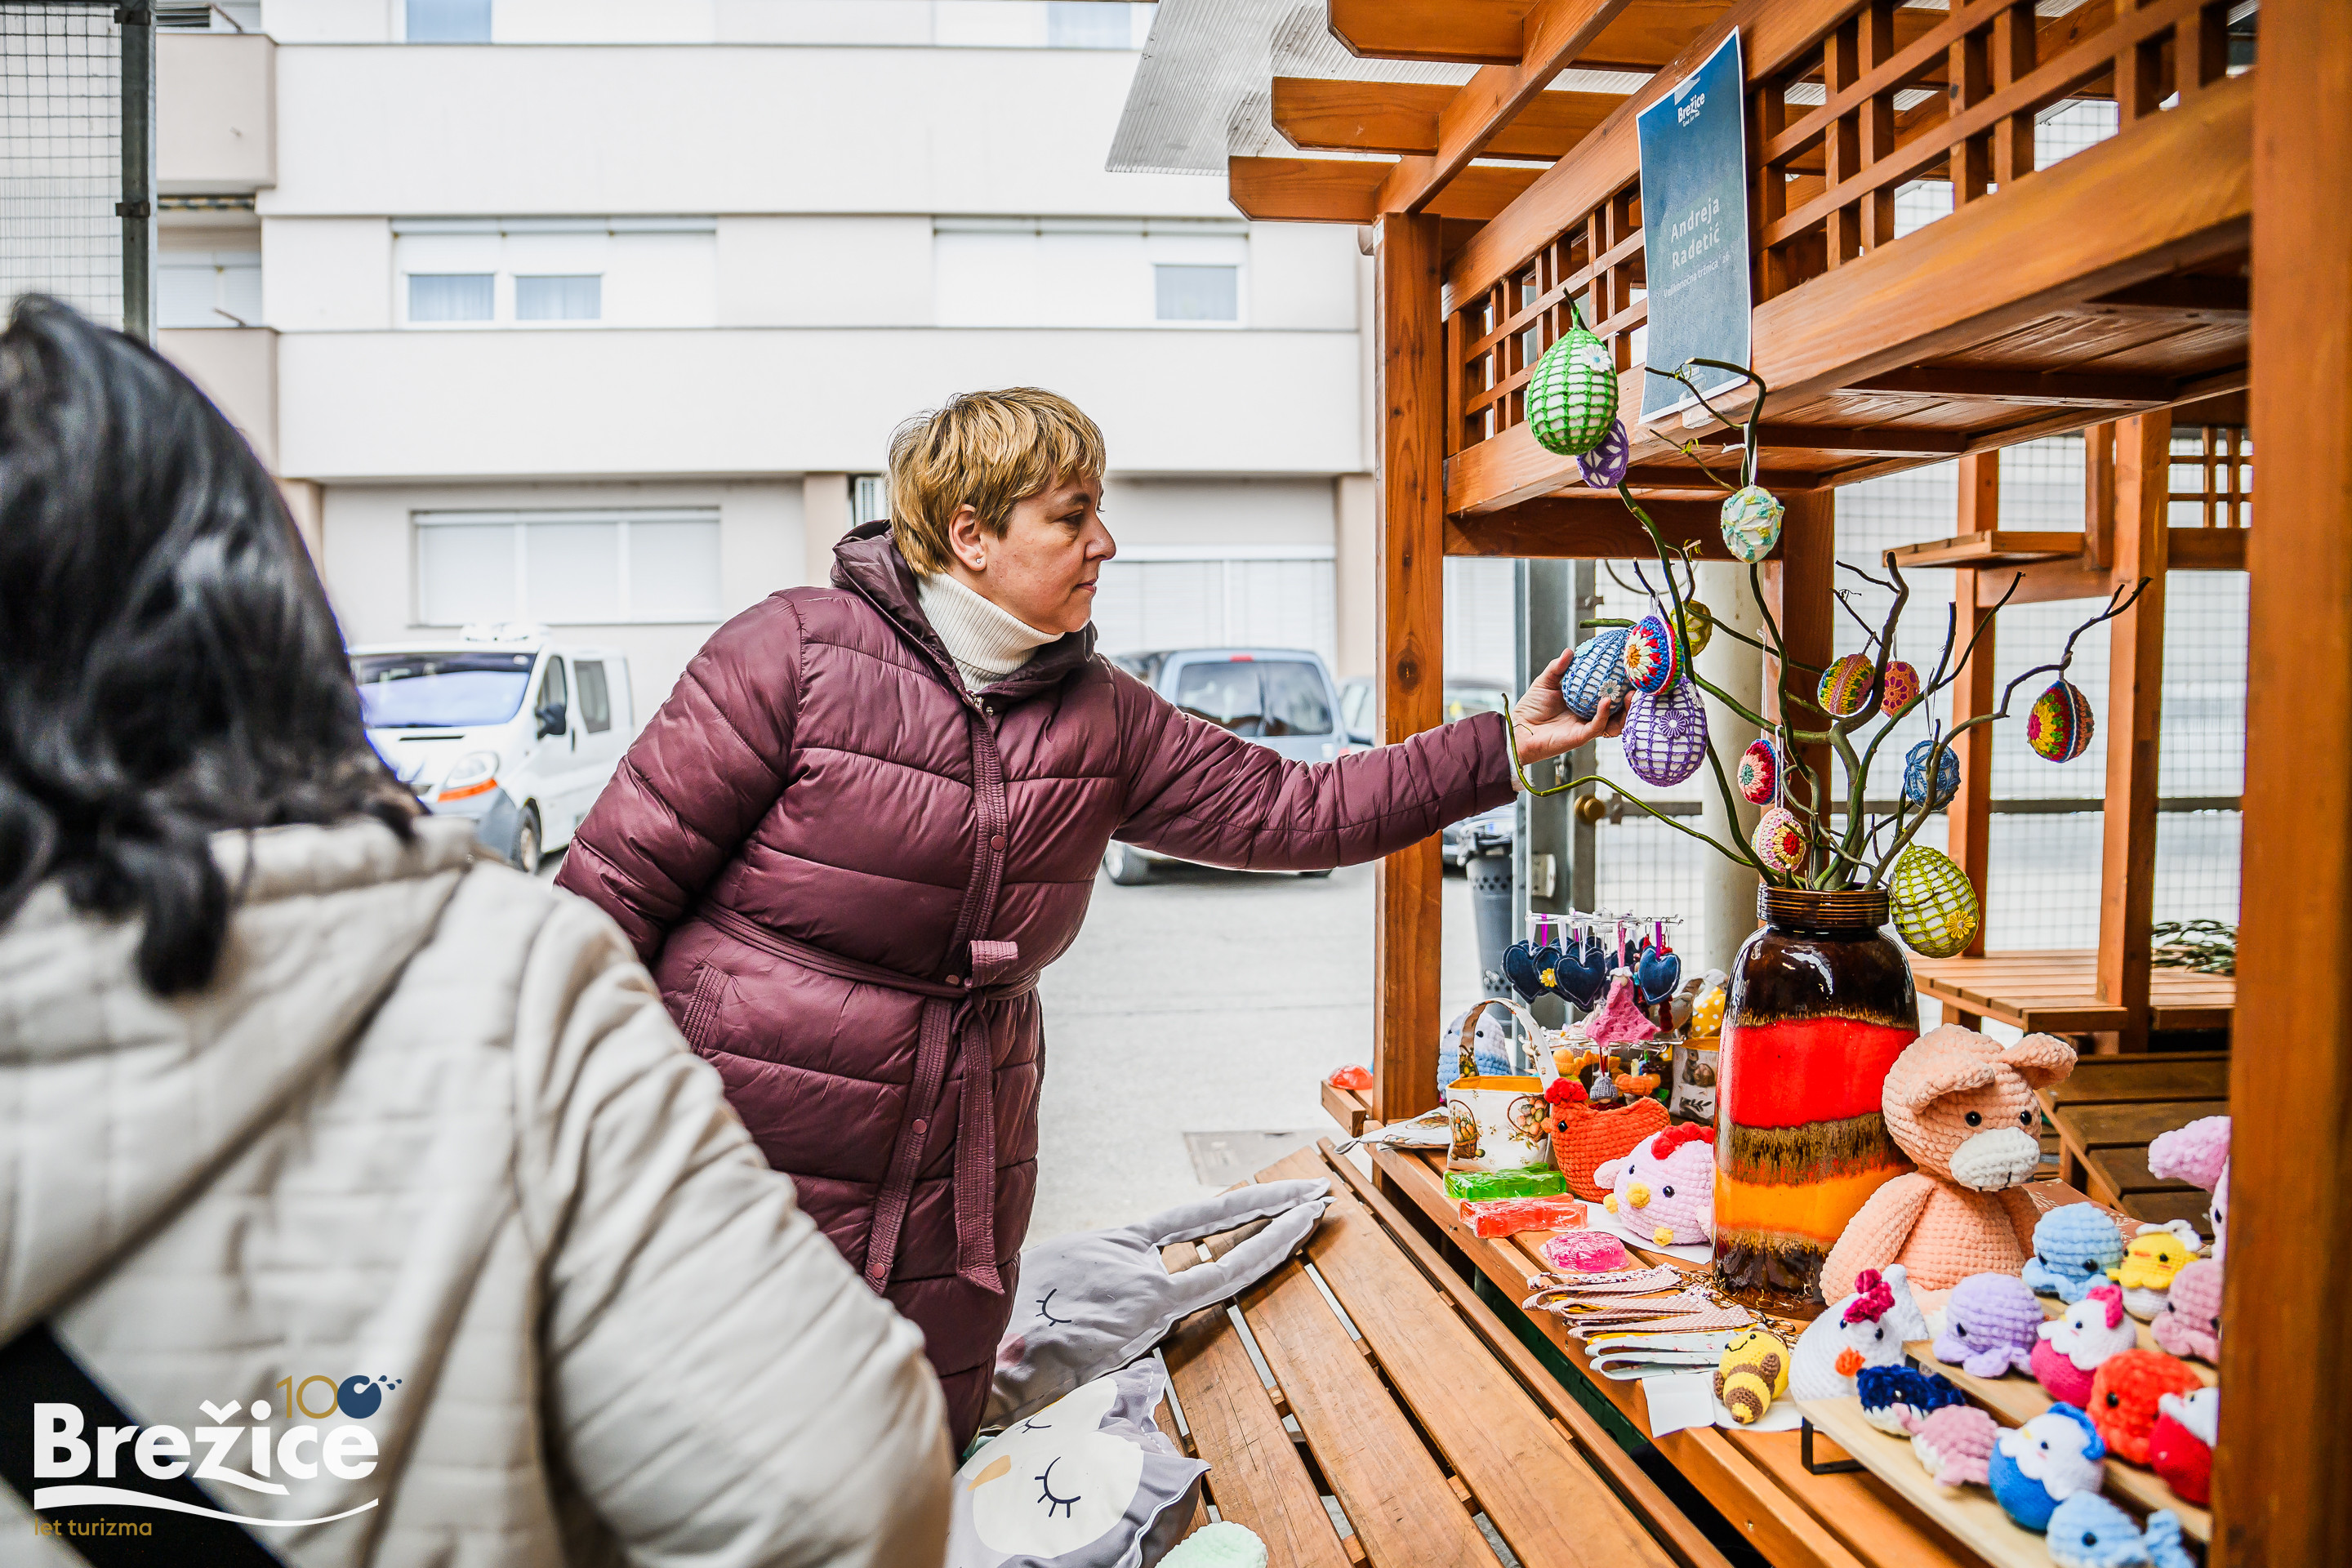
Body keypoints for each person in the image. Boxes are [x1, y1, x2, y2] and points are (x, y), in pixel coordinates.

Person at [0, 297, 950, 1565]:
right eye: (1068, 512)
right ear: (255, 608)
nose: (1102, 543)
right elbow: (845, 1504)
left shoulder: (1076, 701)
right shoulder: (502, 980)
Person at [556, 387, 1622, 1446]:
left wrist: (1502, 746)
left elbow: (1298, 807)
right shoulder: (792, 653)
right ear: (970, 534)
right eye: (1072, 515)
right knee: (684, 1463)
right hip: (731, 1153)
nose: (1104, 541)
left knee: (904, 1472)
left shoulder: (1103, 715)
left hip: (956, 1182)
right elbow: (605, 899)